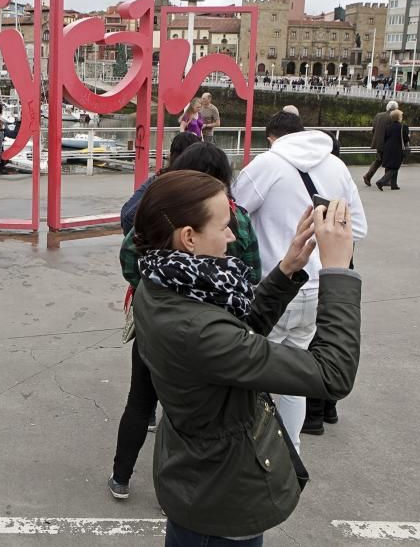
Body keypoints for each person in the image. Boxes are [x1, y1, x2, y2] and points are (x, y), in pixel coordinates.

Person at [133, 170, 361, 546]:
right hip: (222, 500)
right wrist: (337, 271)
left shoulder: (161, 280)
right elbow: (331, 374)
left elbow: (236, 333)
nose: (232, 236)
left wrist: (288, 268)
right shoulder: (197, 328)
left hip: (199, 481)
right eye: (224, 226)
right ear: (189, 237)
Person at [109, 144, 262, 502]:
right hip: (214, 329)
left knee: (139, 399)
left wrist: (150, 288)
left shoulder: (159, 212)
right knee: (187, 412)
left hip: (155, 325)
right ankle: (177, 492)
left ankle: (121, 476)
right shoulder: (235, 216)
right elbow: (253, 271)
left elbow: (129, 258)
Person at [232, 112, 367, 449]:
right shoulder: (335, 166)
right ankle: (290, 449)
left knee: (254, 372)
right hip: (319, 285)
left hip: (274, 285)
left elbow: (230, 219)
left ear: (271, 137)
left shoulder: (265, 166)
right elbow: (359, 228)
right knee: (296, 376)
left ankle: (251, 451)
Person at [120, 133, 201, 234]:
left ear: (171, 154)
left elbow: (126, 215)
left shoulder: (158, 177)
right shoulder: (176, 184)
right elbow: (130, 218)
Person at [362, 100, 397, 187]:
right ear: (395, 109)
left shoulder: (378, 115)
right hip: (388, 143)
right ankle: (382, 179)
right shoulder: (393, 117)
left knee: (379, 160)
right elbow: (393, 131)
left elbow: (373, 128)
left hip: (378, 142)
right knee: (389, 161)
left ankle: (370, 176)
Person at [375, 109, 410, 191]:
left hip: (388, 148)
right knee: (395, 167)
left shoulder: (388, 127)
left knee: (392, 165)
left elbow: (385, 137)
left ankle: (394, 184)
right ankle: (381, 181)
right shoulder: (403, 127)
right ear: (399, 117)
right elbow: (406, 139)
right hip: (397, 148)